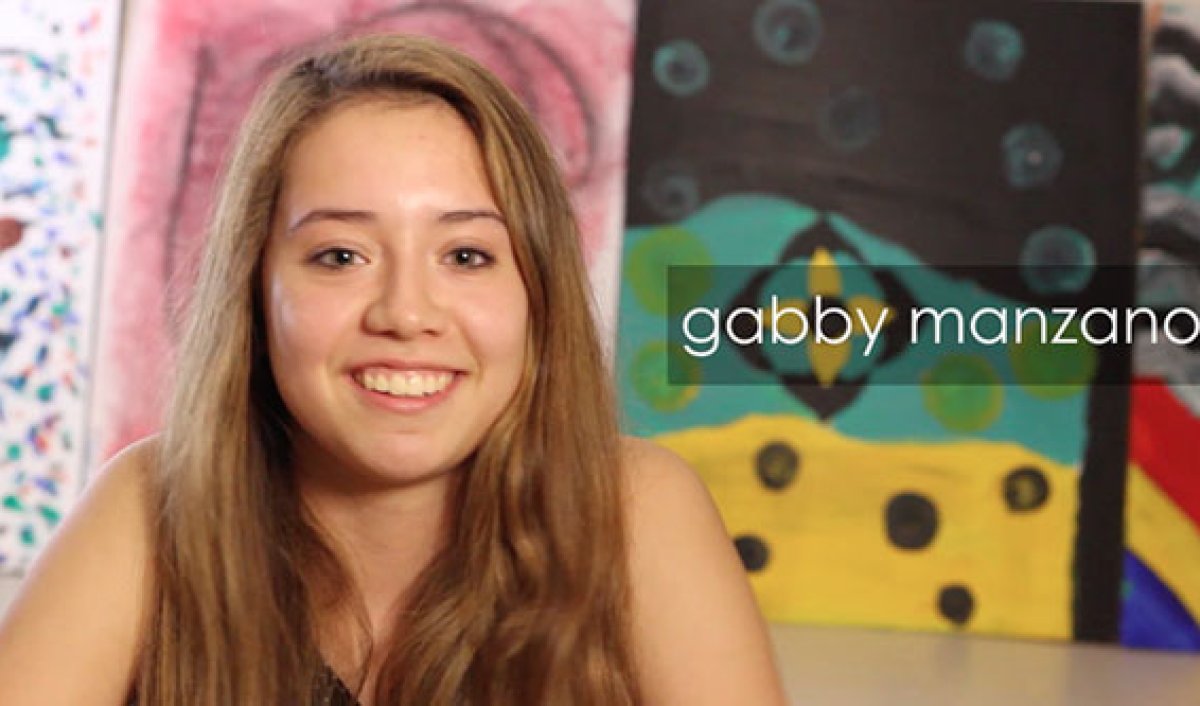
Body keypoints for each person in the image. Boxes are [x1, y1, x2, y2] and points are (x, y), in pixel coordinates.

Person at [0, 34, 787, 705]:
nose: (407, 314)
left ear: (538, 293)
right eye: (341, 256)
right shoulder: (151, 507)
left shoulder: (636, 510)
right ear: (255, 291)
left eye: (466, 255)